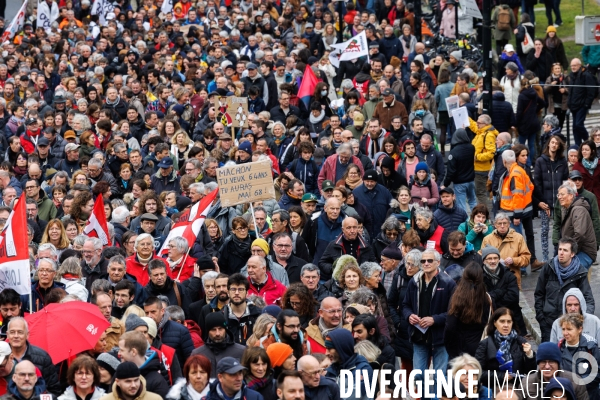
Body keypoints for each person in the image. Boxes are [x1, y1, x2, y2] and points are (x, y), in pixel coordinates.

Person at [402, 249, 456, 390]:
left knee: (440, 377)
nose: (426, 263)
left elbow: (454, 312)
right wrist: (409, 316)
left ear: (438, 262)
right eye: (423, 261)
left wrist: (434, 319)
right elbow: (405, 305)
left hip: (440, 337)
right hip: (419, 335)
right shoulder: (414, 281)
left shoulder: (448, 283)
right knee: (419, 376)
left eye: (429, 260)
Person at [534, 237, 595, 342]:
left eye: (565, 250)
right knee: (549, 356)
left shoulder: (580, 273)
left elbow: (588, 299)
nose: (561, 253)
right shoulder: (549, 267)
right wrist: (541, 318)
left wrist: (583, 320)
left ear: (572, 254)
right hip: (549, 323)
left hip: (571, 325)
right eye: (560, 249)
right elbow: (539, 294)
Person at [475, 307, 536, 385]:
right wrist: (501, 376)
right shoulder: (485, 344)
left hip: (516, 389)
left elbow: (531, 372)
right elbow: (477, 372)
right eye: (502, 321)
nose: (506, 325)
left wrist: (529, 355)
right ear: (495, 323)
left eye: (509, 322)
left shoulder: (520, 342)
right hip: (494, 390)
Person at [533, 135, 568, 269]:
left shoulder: (562, 161)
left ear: (559, 146)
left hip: (560, 203)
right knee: (544, 231)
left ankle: (557, 256)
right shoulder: (541, 161)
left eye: (556, 143)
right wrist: (542, 202)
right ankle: (546, 259)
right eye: (552, 142)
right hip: (545, 202)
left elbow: (565, 180)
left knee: (559, 230)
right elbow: (537, 183)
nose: (553, 145)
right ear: (548, 144)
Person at [444, 263, 492, 360]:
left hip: (460, 345)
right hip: (480, 343)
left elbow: (450, 325)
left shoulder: (457, 296)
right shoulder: (487, 297)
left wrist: (449, 346)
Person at [7, 317, 61, 396]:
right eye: (12, 332)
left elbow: (54, 390)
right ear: (7, 335)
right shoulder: (2, 356)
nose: (16, 336)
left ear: (27, 335)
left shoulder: (42, 357)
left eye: (20, 332)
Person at [520, 342, 590, 400]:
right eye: (543, 362)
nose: (547, 366)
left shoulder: (575, 382)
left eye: (551, 362)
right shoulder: (526, 383)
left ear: (558, 363)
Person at [480, 212, 531, 289]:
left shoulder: (518, 238)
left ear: (509, 224)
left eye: (505, 223)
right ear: (495, 225)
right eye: (499, 223)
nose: (502, 226)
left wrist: (513, 260)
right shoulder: (487, 239)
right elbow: (481, 257)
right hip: (492, 280)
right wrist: (493, 261)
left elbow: (526, 258)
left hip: (512, 279)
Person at [318, 217, 376, 282]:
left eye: (354, 227)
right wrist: (335, 268)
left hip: (360, 283)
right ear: (343, 229)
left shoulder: (366, 245)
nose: (352, 231)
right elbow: (322, 262)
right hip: (339, 283)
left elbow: (374, 264)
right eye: (349, 228)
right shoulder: (333, 245)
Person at [554, 183, 597, 270]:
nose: (559, 197)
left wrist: (570, 251)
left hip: (584, 252)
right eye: (558, 194)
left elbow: (580, 234)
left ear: (570, 196)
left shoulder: (578, 209)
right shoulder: (566, 209)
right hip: (574, 250)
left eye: (562, 194)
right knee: (554, 267)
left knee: (569, 273)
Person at [557, 313, 600, 399]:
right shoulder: (558, 348)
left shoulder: (591, 347)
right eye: (563, 329)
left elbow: (597, 374)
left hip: (589, 395)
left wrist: (577, 385)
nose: (565, 333)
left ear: (580, 329)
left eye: (569, 329)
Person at [192, 313, 246, 379]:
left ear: (225, 329)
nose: (217, 333)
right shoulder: (197, 354)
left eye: (220, 329)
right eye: (213, 330)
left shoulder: (241, 351)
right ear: (208, 331)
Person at [117, 331, 170, 399]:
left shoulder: (157, 382)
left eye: (121, 350)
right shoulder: (119, 373)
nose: (119, 353)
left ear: (133, 352)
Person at [324, 329, 373, 399]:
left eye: (329, 349)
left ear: (341, 348)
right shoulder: (330, 370)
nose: (326, 353)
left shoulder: (364, 369)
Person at [220, 273, 262, 346]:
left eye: (240, 289)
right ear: (228, 292)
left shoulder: (258, 315)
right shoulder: (221, 315)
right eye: (233, 289)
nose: (236, 293)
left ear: (247, 293)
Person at [352, 170, 393, 239]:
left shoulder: (384, 192)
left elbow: (392, 208)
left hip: (381, 231)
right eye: (367, 181)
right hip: (362, 232)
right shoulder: (356, 193)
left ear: (376, 181)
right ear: (363, 180)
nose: (369, 183)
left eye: (372, 181)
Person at [443, 128, 476, 212]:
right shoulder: (471, 148)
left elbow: (451, 171)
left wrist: (446, 183)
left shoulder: (454, 152)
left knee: (461, 206)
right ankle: (476, 220)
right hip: (471, 180)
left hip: (460, 183)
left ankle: (464, 224)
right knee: (473, 202)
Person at [566, 58, 596, 146]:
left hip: (582, 105)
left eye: (574, 65)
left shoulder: (586, 75)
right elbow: (571, 91)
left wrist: (586, 104)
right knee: (575, 128)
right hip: (573, 105)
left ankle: (588, 140)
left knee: (578, 125)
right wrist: (569, 103)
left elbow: (591, 91)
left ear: (579, 65)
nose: (573, 67)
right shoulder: (572, 76)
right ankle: (578, 146)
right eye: (571, 66)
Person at [98, 362, 162, 400]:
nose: (133, 385)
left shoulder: (155, 399)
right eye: (128, 381)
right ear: (117, 382)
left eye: (136, 380)